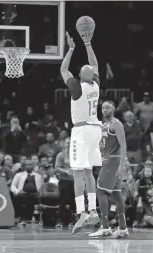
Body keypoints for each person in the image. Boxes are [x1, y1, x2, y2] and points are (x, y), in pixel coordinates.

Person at [60, 31, 102, 234]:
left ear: (79, 76)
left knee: (77, 172)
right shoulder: (96, 85)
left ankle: (81, 212)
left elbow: (63, 69)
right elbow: (94, 64)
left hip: (82, 130)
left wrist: (70, 49)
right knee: (88, 172)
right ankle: (93, 210)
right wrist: (88, 44)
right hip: (95, 130)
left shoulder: (77, 87)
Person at [88, 101, 129, 239]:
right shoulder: (103, 125)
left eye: (108, 107)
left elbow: (123, 144)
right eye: (103, 107)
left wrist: (123, 164)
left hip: (113, 160)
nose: (105, 110)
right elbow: (103, 145)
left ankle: (105, 227)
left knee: (100, 190)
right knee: (117, 194)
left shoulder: (116, 124)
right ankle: (123, 228)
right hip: (108, 159)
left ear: (114, 109)